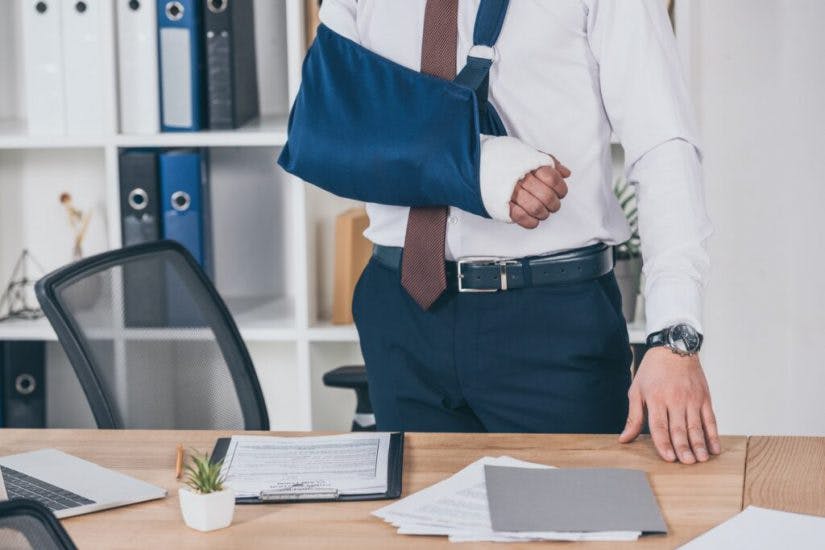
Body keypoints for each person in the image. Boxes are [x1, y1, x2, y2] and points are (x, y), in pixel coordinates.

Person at [320, 0, 719, 464]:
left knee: (576, 528)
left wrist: (674, 333)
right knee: (418, 528)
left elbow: (662, 144)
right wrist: (481, 167)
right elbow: (329, 121)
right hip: (405, 308)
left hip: (551, 321)